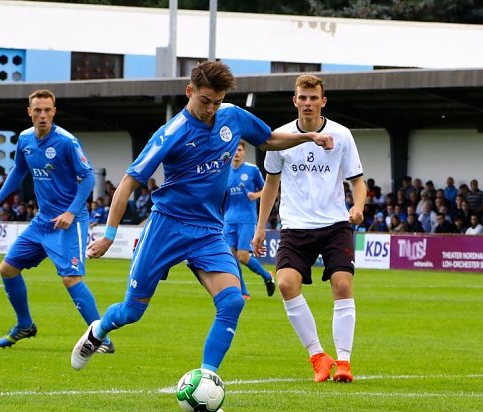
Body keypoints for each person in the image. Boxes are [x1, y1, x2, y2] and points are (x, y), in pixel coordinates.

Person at [70, 61, 334, 376]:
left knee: (232, 302)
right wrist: (109, 235)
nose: (211, 109)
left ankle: (207, 378)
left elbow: (269, 140)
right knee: (132, 311)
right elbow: (128, 182)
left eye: (217, 102)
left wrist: (308, 137)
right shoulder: (171, 133)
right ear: (189, 91)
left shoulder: (232, 117)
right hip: (166, 226)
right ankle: (98, 331)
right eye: (205, 101)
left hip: (208, 230)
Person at [252, 73, 367, 383]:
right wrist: (261, 227)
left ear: (322, 101)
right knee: (286, 284)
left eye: (313, 98)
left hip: (335, 224)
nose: (307, 103)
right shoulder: (280, 137)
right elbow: (271, 183)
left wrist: (358, 206)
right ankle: (318, 356)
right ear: (295, 101)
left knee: (342, 285)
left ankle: (344, 362)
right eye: (302, 98)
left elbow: (357, 181)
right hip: (295, 226)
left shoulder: (342, 135)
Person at [0, 89, 113, 353]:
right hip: (42, 221)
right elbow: (19, 170)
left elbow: (88, 177)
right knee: (7, 269)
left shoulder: (66, 141)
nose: (42, 115)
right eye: (37, 110)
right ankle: (24, 325)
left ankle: (102, 339)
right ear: (29, 112)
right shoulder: (24, 139)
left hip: (70, 221)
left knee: (71, 278)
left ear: (54, 112)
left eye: (47, 110)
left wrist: (71, 212)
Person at [222, 140, 276, 299]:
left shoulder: (252, 170)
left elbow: (267, 189)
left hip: (247, 219)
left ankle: (267, 276)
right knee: (231, 257)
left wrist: (256, 195)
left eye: (239, 150)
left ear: (244, 152)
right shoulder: (225, 171)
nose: (236, 153)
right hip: (229, 219)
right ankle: (243, 291)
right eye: (234, 150)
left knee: (243, 256)